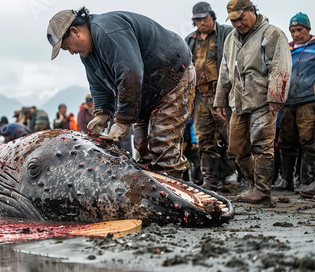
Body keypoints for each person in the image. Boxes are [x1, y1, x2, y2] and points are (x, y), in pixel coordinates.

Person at [47, 8, 196, 178]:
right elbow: (99, 86)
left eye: (68, 47)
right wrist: (102, 114)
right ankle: (152, 190)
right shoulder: (87, 55)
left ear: (75, 31)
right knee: (142, 146)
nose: (72, 52)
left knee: (162, 146)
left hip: (172, 75)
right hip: (146, 93)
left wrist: (123, 121)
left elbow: (130, 74)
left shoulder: (107, 32)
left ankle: (174, 198)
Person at [214, 0, 291, 204]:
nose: (238, 23)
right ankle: (254, 185)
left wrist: (276, 96)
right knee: (237, 149)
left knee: (262, 146)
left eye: (241, 18)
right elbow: (225, 70)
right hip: (238, 102)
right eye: (233, 20)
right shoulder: (231, 39)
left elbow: (281, 65)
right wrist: (221, 99)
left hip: (263, 99)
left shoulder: (272, 33)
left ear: (252, 11)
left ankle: (263, 191)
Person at [185, 2, 234, 191]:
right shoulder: (189, 40)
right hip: (200, 96)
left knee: (233, 139)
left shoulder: (226, 33)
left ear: (212, 16)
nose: (201, 22)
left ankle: (248, 179)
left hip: (222, 95)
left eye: (204, 17)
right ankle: (210, 181)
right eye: (197, 19)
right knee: (204, 140)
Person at [278, 13, 315, 196]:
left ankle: (306, 181)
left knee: (308, 141)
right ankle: (286, 180)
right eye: (292, 30)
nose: (295, 34)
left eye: (299, 29)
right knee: (285, 141)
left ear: (308, 29)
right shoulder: (287, 49)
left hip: (309, 100)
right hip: (288, 101)